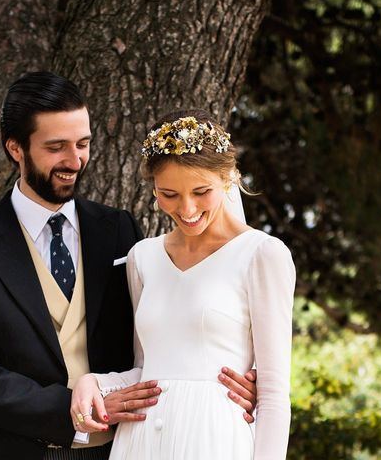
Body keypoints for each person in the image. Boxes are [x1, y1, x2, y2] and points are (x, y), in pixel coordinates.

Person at [0, 72, 257, 460]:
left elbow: (163, 338)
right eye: (56, 147)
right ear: (16, 148)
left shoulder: (119, 230)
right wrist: (68, 410)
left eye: (83, 144)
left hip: (124, 449)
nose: (75, 160)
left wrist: (235, 379)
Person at [71, 112, 296, 459]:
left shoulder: (262, 255)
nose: (187, 208)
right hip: (140, 443)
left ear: (228, 178)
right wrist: (94, 383)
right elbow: (149, 370)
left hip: (214, 441)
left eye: (201, 191)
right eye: (170, 194)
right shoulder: (142, 258)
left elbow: (274, 395)